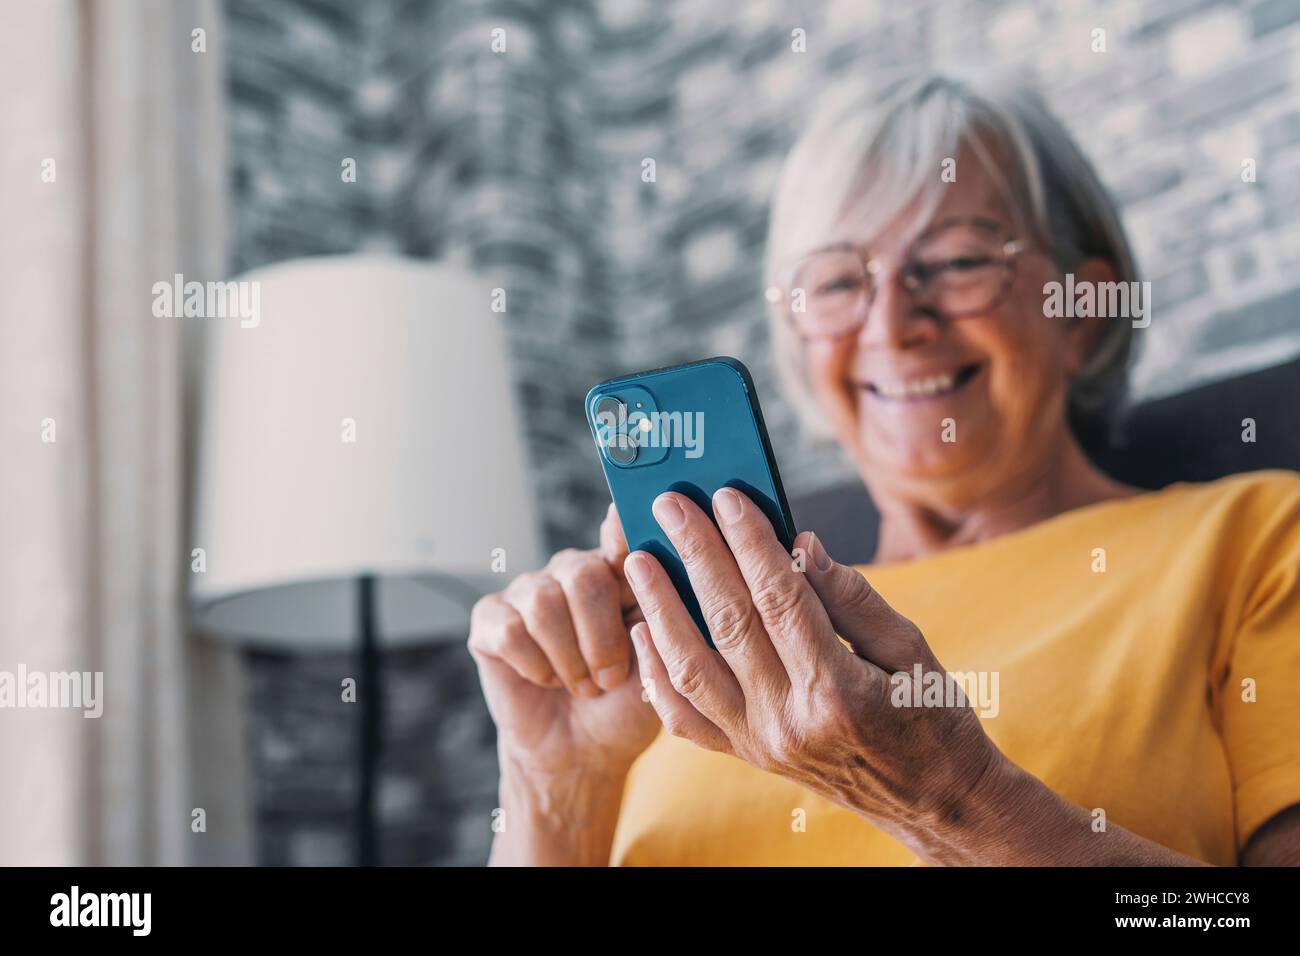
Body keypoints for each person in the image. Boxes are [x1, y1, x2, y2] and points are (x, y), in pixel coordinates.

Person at [469, 74, 1300, 866]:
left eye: (960, 262)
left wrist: (953, 801)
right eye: (837, 281)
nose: (893, 323)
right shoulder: (698, 633)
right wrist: (557, 787)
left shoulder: (1257, 538)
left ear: (1082, 310)